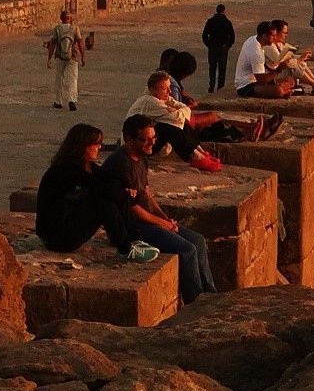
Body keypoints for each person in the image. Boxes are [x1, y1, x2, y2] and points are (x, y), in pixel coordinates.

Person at [103, 115, 216, 303]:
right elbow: (134, 209)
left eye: (153, 138)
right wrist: (162, 223)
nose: (152, 143)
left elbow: (146, 195)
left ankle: (210, 295)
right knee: (187, 250)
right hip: (133, 226)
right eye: (146, 139)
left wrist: (166, 219)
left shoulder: (141, 157)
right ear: (129, 139)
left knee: (198, 240)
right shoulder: (120, 164)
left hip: (148, 220)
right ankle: (195, 301)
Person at [35, 123, 158, 262]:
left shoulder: (87, 166)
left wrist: (125, 190)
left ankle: (132, 240)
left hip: (68, 225)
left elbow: (112, 180)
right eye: (96, 144)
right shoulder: (67, 170)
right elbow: (103, 190)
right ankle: (125, 249)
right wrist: (124, 193)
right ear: (83, 146)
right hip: (57, 236)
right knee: (102, 200)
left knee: (112, 194)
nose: (100, 147)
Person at [125, 72, 223, 172]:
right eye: (165, 89)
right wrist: (178, 112)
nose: (170, 91)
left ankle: (200, 153)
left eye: (169, 87)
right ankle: (196, 156)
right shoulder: (150, 101)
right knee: (168, 127)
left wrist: (178, 111)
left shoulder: (162, 97)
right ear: (153, 90)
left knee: (178, 123)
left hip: (147, 140)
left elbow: (184, 110)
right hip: (136, 144)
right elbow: (178, 118)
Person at [268, 21, 314, 95]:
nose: (286, 35)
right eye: (284, 33)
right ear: (277, 33)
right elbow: (279, 63)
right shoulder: (270, 46)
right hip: (273, 75)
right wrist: (300, 59)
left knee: (301, 63)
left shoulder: (280, 44)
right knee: (295, 66)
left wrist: (302, 57)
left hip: (280, 72)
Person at [234, 23, 296, 98]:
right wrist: (279, 69)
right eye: (272, 36)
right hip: (247, 85)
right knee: (278, 90)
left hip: (257, 80)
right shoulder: (256, 52)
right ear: (264, 36)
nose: (275, 38)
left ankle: (286, 90)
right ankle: (284, 91)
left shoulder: (254, 40)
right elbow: (261, 81)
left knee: (288, 82)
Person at [44, 11, 85, 111]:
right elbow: (79, 43)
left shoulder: (57, 29)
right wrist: (83, 57)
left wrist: (49, 58)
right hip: (72, 57)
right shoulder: (75, 29)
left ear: (61, 19)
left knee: (59, 78)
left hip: (60, 56)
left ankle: (58, 101)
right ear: (70, 19)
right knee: (73, 79)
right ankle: (72, 100)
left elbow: (53, 44)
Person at [201, 4, 236, 93]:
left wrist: (208, 44)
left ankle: (211, 86)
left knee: (212, 67)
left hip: (212, 47)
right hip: (223, 48)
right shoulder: (227, 22)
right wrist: (228, 46)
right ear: (224, 11)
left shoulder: (210, 21)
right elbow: (232, 36)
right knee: (222, 68)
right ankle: (220, 87)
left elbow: (204, 35)